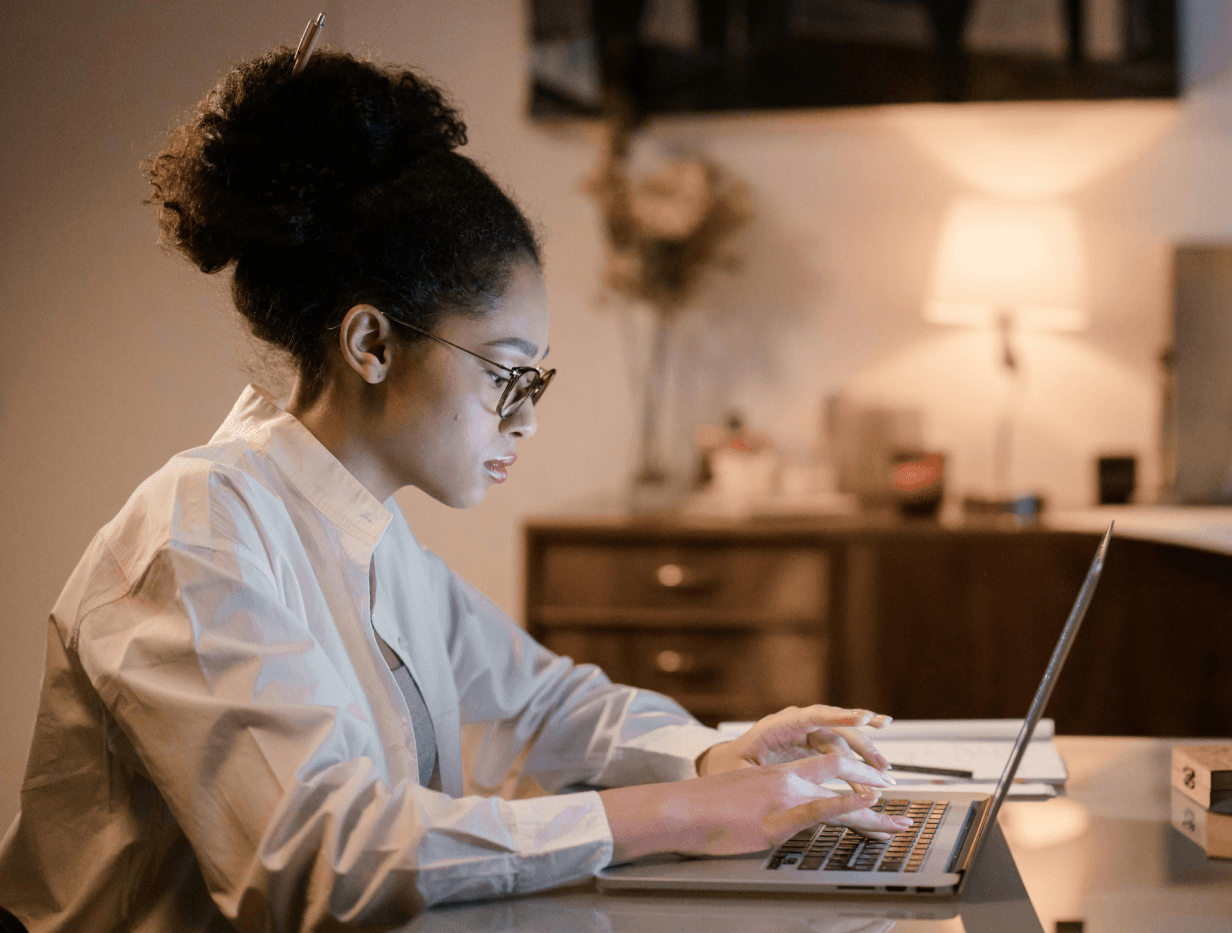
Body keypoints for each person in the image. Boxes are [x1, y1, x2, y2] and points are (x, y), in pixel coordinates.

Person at [0, 44, 910, 933]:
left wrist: (713, 754)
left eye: (535, 382)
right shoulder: (194, 537)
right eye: (505, 373)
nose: (526, 420)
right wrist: (685, 814)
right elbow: (323, 860)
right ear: (371, 345)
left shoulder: (373, 537)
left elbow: (543, 703)